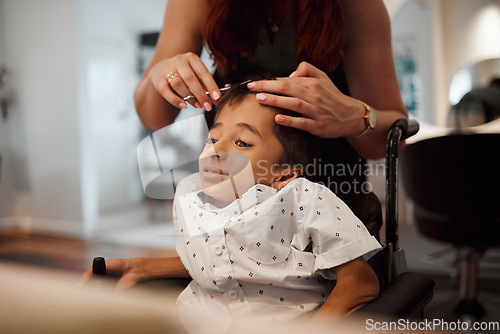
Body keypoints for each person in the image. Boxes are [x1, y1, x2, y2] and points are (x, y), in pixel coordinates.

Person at [83, 85, 381, 332]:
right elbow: (221, 258)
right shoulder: (189, 194)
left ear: (284, 174)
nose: (215, 149)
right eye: (213, 138)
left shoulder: (302, 199)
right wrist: (140, 266)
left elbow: (360, 283)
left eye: (241, 142)